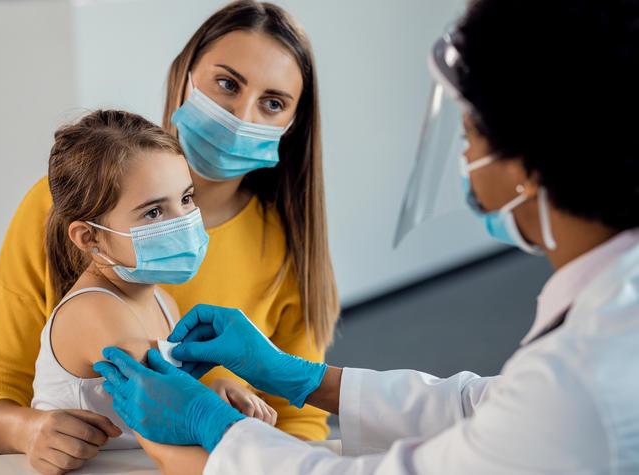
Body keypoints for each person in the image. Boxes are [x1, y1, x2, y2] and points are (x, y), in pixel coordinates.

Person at [94, 0, 639, 472]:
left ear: (531, 165)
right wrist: (304, 378)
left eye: (471, 135)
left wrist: (210, 426)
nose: (466, 158)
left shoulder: (580, 383)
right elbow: (483, 404)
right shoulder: (609, 315)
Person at [0, 1, 338, 472]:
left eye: (273, 102)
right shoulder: (58, 208)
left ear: (292, 124)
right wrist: (29, 429)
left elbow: (297, 420)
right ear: (183, 76)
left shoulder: (284, 247)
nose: (243, 116)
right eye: (227, 84)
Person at [28, 109, 277, 470]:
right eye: (155, 212)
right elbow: (168, 435)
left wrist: (212, 394)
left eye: (187, 199)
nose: (185, 221)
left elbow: (174, 405)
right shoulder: (95, 312)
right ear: (89, 236)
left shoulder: (162, 300)